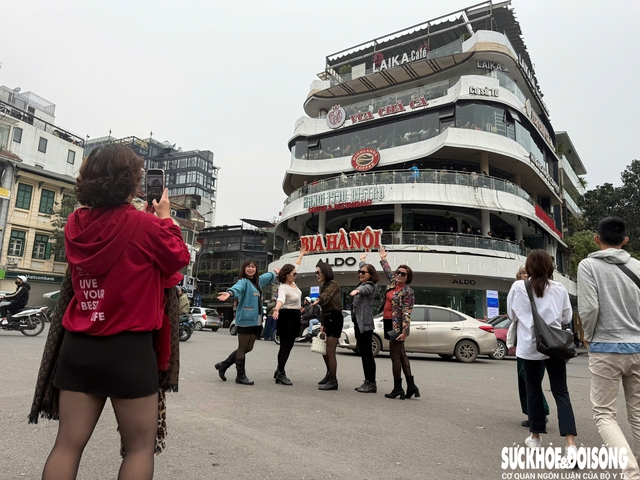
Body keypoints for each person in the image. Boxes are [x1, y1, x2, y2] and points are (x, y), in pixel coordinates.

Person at [36, 143, 190, 480]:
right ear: (131, 182)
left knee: (67, 445)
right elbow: (178, 256)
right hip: (129, 352)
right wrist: (164, 218)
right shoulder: (147, 227)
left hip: (78, 347)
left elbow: (120, 231)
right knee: (139, 448)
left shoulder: (75, 224)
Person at [578, 217, 640, 479]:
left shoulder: (588, 265)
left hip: (605, 347)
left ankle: (630, 471)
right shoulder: (638, 266)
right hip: (638, 346)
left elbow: (590, 308)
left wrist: (588, 337)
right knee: (637, 413)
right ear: (625, 241)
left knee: (604, 414)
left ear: (596, 238)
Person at [507, 249, 577, 459]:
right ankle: (570, 444)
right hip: (554, 346)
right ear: (550, 267)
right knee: (561, 392)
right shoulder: (559, 288)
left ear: (529, 267)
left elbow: (512, 314)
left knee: (533, 390)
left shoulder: (519, 286)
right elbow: (566, 317)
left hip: (529, 347)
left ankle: (535, 438)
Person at [215, 260, 278, 385]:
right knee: (243, 347)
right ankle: (240, 375)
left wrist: (276, 272)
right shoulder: (243, 282)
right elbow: (236, 289)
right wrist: (229, 293)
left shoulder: (258, 281)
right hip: (245, 319)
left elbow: (270, 276)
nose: (251, 269)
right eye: (248, 267)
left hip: (256, 320)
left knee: (248, 348)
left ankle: (224, 364)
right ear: (244, 269)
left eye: (253, 267)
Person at [508, 266, 550, 427]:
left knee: (529, 379)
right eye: (522, 273)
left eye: (527, 273)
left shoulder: (542, 289)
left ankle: (540, 412)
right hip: (524, 342)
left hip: (538, 341)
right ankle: (533, 412)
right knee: (524, 378)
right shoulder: (518, 289)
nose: (525, 275)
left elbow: (513, 314)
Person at [378, 246, 419, 399]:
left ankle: (398, 388)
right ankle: (412, 386)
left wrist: (404, 332)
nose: (399, 275)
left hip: (397, 325)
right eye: (398, 272)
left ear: (408, 277)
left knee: (394, 356)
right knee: (401, 355)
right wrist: (383, 258)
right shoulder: (393, 284)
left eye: (403, 274)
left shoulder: (407, 291)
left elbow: (407, 312)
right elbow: (388, 271)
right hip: (388, 321)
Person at [271, 249, 308, 385]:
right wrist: (277, 309)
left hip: (295, 316)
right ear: (286, 275)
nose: (296, 275)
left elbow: (296, 265)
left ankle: (278, 369)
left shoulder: (293, 283)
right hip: (286, 316)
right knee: (285, 346)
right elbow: (280, 299)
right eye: (294, 274)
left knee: (290, 345)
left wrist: (301, 255)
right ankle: (281, 373)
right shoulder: (283, 287)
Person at [350, 253, 380, 393]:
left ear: (370, 275)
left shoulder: (369, 285)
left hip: (365, 325)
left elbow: (364, 289)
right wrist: (362, 261)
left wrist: (357, 290)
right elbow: (364, 269)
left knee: (367, 354)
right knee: (363, 352)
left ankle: (372, 383)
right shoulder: (364, 281)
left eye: (363, 272)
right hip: (358, 323)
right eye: (359, 272)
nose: (360, 274)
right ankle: (367, 381)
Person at [314, 262, 343, 391]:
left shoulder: (333, 285)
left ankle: (333, 380)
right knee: (325, 351)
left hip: (335, 318)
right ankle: (329, 374)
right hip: (328, 318)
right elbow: (324, 309)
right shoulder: (324, 285)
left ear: (325, 272)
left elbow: (325, 298)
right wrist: (322, 324)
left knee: (330, 351)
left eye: (318, 272)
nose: (317, 275)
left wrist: (318, 300)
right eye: (316, 272)